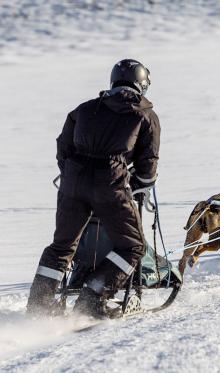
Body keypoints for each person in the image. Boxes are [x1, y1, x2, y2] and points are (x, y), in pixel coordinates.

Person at [26, 59, 160, 318]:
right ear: (142, 85)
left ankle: (38, 306)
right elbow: (147, 165)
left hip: (72, 184)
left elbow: (63, 146)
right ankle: (93, 296)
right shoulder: (146, 116)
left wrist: (72, 174)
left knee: (62, 246)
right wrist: (134, 185)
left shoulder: (85, 109)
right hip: (110, 185)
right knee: (132, 247)